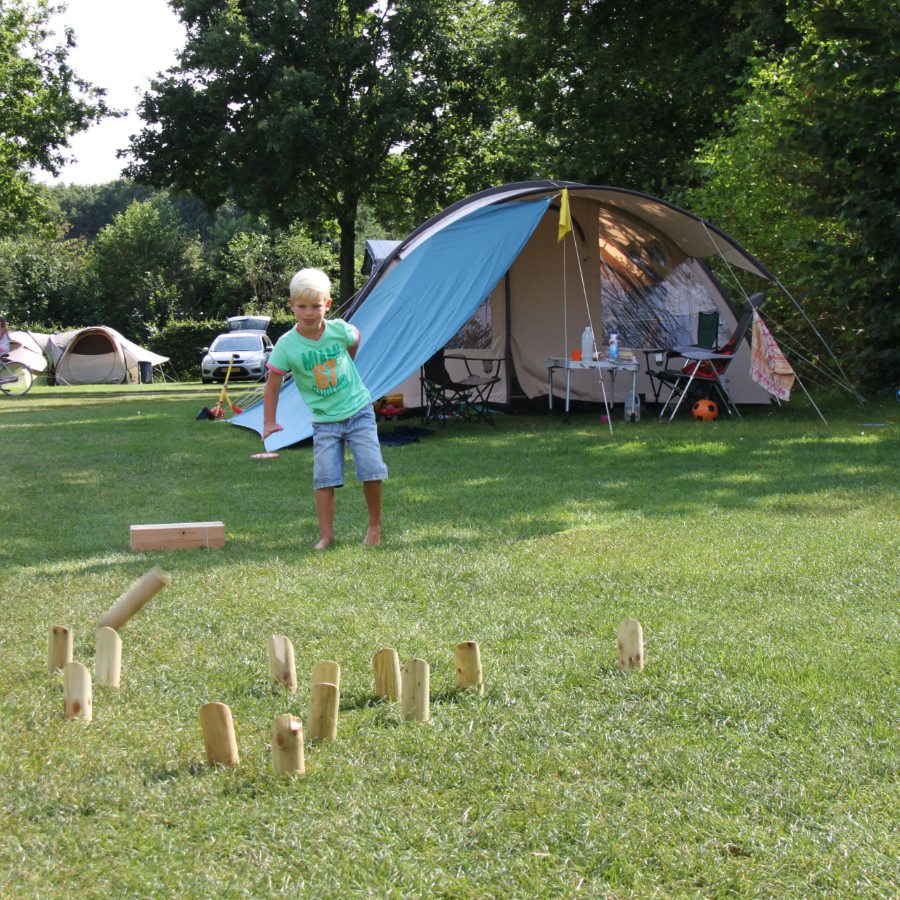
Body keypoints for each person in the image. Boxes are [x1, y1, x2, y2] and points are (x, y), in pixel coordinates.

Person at [262, 268, 387, 550]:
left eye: (316, 306)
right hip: (324, 421)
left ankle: (374, 527)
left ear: (327, 305)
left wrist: (349, 363)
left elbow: (354, 338)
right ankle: (326, 535)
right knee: (325, 477)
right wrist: (269, 421)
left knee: (371, 469)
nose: (309, 313)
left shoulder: (338, 330)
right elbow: (272, 385)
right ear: (292, 306)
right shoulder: (286, 345)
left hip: (358, 411)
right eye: (302, 306)